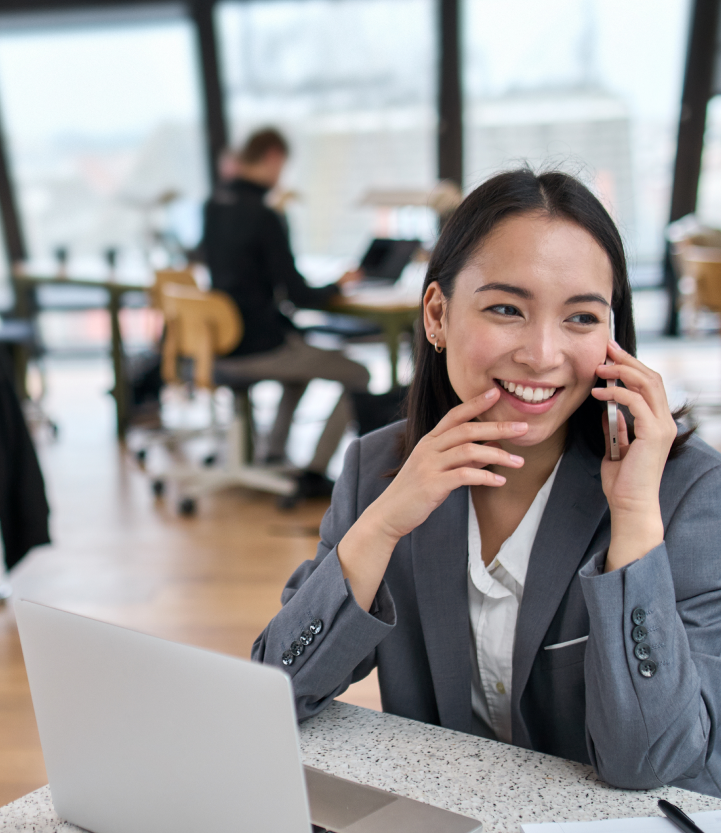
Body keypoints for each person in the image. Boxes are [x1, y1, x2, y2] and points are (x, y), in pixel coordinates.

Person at [253, 168, 721, 797]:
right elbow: (276, 690)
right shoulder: (380, 470)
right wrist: (383, 524)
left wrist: (634, 515)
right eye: (507, 309)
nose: (543, 354)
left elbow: (652, 762)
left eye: (581, 318)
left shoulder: (682, 491)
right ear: (438, 314)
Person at [202, 128, 369, 500]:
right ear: (274, 157)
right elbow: (299, 296)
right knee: (358, 372)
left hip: (220, 346)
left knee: (303, 360)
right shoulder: (266, 216)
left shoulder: (213, 206)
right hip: (259, 347)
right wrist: (340, 283)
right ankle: (314, 472)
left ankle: (272, 453)